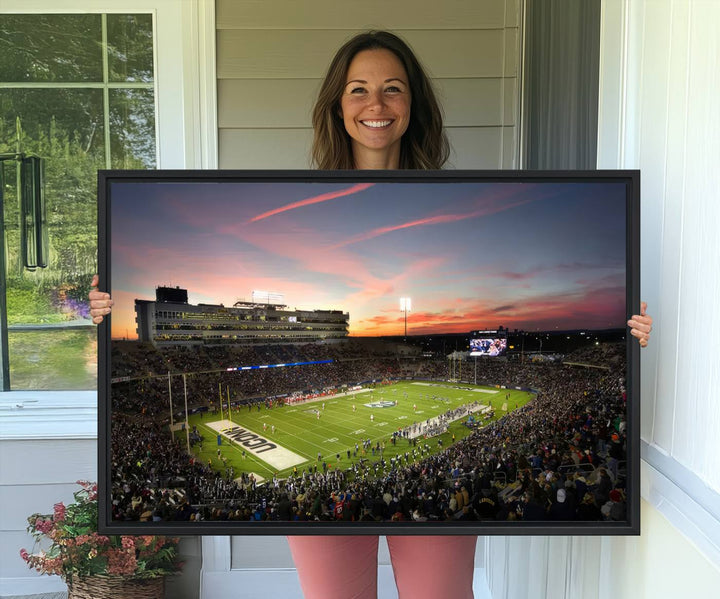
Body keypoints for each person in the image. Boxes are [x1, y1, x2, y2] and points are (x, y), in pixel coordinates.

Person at [89, 29, 653, 599]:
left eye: (393, 89)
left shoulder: (450, 199)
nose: (375, 105)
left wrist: (629, 337)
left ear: (414, 105)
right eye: (358, 89)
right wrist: (102, 310)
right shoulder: (295, 197)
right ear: (337, 104)